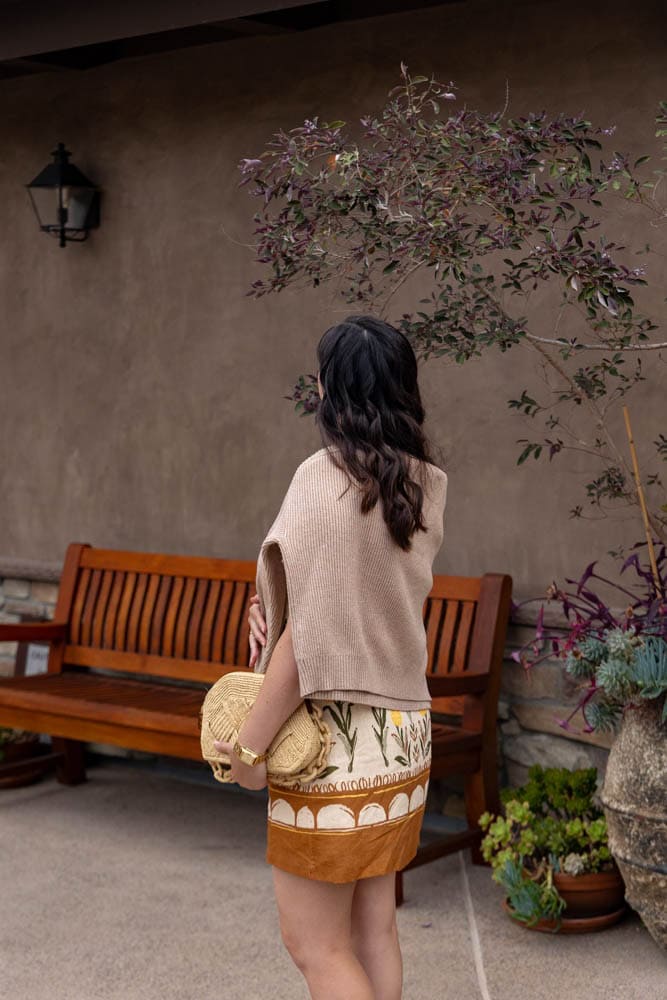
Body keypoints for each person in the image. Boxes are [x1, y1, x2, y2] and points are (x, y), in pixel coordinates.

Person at [214, 315, 448, 1000]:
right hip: (402, 736)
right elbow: (358, 598)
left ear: (328, 390)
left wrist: (249, 751)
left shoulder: (324, 478)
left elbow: (310, 637)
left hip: (335, 744)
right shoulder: (423, 484)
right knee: (373, 932)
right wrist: (276, 602)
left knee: (316, 946)